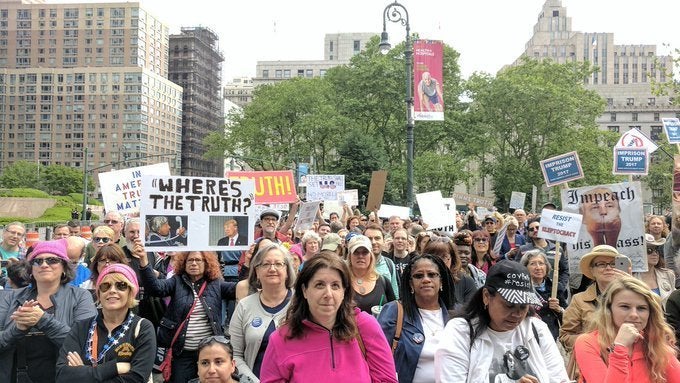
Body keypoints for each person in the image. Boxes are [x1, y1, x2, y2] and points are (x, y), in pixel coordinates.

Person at [259, 252, 397, 382]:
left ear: (344, 291)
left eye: (335, 286)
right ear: (304, 290)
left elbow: (386, 379)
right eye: (319, 285)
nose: (328, 294)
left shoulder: (365, 327)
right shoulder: (281, 340)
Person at [434, 260, 569, 383]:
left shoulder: (537, 329)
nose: (517, 314)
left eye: (523, 306)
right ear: (486, 296)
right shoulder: (461, 331)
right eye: (509, 305)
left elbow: (558, 378)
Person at [0, 239, 96, 383]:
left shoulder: (80, 296)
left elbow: (87, 344)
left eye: (52, 260)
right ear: (31, 269)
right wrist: (17, 329)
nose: (44, 265)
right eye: (37, 261)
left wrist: (43, 320)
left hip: (63, 378)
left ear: (64, 267)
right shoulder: (9, 297)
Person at [137, 250, 236, 383]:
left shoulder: (215, 284)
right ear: (184, 263)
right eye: (190, 260)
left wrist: (247, 263)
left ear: (206, 263)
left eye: (198, 260)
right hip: (182, 354)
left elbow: (239, 288)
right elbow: (156, 288)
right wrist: (144, 262)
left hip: (208, 355)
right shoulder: (176, 282)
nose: (194, 263)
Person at [56, 264, 156, 381]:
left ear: (131, 292)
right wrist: (115, 367)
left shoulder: (143, 328)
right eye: (105, 286)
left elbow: (137, 378)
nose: (112, 290)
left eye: (121, 285)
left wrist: (83, 373)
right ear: (99, 294)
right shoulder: (81, 327)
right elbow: (63, 376)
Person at [575, 276, 680, 383]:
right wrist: (620, 347)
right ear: (609, 309)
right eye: (625, 307)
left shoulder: (654, 342)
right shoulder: (587, 342)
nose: (634, 314)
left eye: (641, 308)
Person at [378, 254, 454, 383]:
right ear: (411, 284)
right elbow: (378, 359)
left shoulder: (456, 317)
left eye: (432, 275)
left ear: (441, 281)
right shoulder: (394, 312)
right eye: (419, 276)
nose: (426, 280)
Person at [559, 245, 629, 381]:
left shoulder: (632, 298)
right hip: (591, 366)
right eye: (601, 264)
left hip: (628, 363)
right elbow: (566, 335)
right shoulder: (579, 300)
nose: (608, 268)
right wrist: (596, 342)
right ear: (592, 270)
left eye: (613, 264)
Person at [229, 243, 295, 382]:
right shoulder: (244, 306)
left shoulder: (302, 304)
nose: (272, 269)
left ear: (288, 270)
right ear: (257, 272)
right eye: (265, 264)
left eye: (278, 264)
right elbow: (235, 354)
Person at [520, 250, 567, 340]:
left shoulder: (556, 287)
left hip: (552, 337)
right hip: (530, 337)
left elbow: (569, 316)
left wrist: (558, 309)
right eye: (533, 264)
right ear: (525, 267)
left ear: (546, 266)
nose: (538, 267)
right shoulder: (522, 289)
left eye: (541, 263)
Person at [424, 237, 477, 309]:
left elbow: (472, 312)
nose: (438, 262)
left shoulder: (466, 281)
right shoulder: (420, 280)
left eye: (444, 257)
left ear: (452, 258)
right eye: (433, 257)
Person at [347, 235, 396, 313]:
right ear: (349, 256)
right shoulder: (342, 281)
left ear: (371, 256)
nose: (360, 256)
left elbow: (394, 312)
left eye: (365, 252)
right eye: (356, 252)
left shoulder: (383, 281)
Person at [634, 234, 675, 305]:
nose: (654, 253)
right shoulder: (631, 278)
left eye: (656, 250)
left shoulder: (668, 275)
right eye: (649, 250)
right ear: (638, 253)